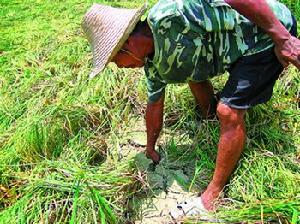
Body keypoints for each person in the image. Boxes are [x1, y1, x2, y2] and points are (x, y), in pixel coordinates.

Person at [82, 0, 300, 216]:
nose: (119, 67)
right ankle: (209, 119)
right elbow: (154, 105)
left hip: (265, 32)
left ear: (128, 45)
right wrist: (150, 147)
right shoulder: (155, 67)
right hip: (238, 50)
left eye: (115, 60)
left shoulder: (172, 13)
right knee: (193, 77)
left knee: (228, 111)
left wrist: (283, 39)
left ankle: (213, 195)